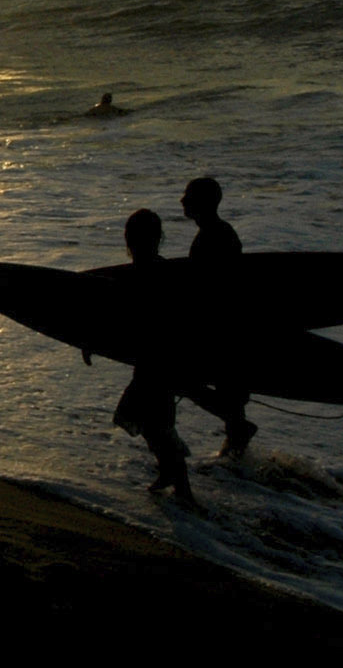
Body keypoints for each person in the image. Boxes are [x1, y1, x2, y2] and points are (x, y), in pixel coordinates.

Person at [111, 209, 194, 502]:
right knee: (150, 420)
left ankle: (183, 489)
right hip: (159, 358)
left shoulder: (148, 272)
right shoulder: (158, 269)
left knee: (153, 422)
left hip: (158, 360)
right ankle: (170, 473)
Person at [181, 176, 256, 457]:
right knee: (232, 398)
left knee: (188, 383)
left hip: (223, 328)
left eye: (188, 196)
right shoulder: (218, 231)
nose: (182, 200)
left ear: (202, 202)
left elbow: (211, 288)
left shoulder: (213, 235)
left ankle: (239, 439)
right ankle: (236, 459)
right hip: (233, 326)